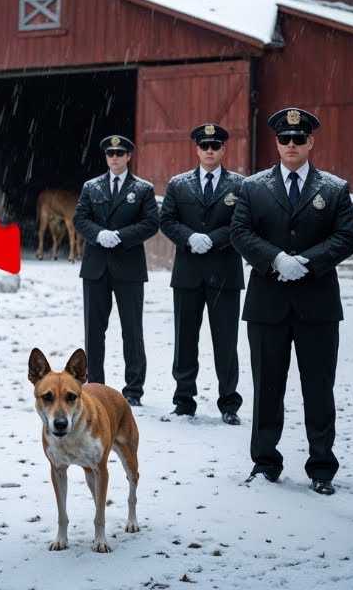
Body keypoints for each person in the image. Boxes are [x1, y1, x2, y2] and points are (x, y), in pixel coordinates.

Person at [230, 108, 353, 496]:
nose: (291, 145)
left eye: (298, 139)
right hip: (268, 303)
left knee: (318, 388)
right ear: (276, 142)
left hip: (316, 303)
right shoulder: (253, 187)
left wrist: (308, 261)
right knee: (268, 387)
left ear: (310, 142)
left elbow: (347, 236)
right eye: (284, 139)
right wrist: (274, 259)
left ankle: (322, 467)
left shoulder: (333, 188)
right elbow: (239, 231)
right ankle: (265, 462)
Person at [157, 124, 245, 424]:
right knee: (184, 339)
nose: (210, 151)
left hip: (225, 274)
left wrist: (215, 238)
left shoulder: (239, 185)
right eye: (205, 146)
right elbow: (166, 219)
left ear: (223, 150)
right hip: (188, 273)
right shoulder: (179, 184)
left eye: (215, 146)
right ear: (197, 149)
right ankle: (183, 400)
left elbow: (243, 223)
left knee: (226, 341)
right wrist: (189, 237)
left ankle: (229, 403)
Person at [73, 134, 161, 407]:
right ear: (106, 157)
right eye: (111, 154)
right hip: (96, 267)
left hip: (128, 268)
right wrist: (99, 234)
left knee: (132, 331)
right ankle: (95, 386)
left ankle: (134, 389)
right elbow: (79, 218)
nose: (115, 157)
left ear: (128, 156)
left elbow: (151, 223)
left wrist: (120, 235)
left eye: (120, 153)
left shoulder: (143, 189)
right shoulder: (92, 187)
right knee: (94, 332)